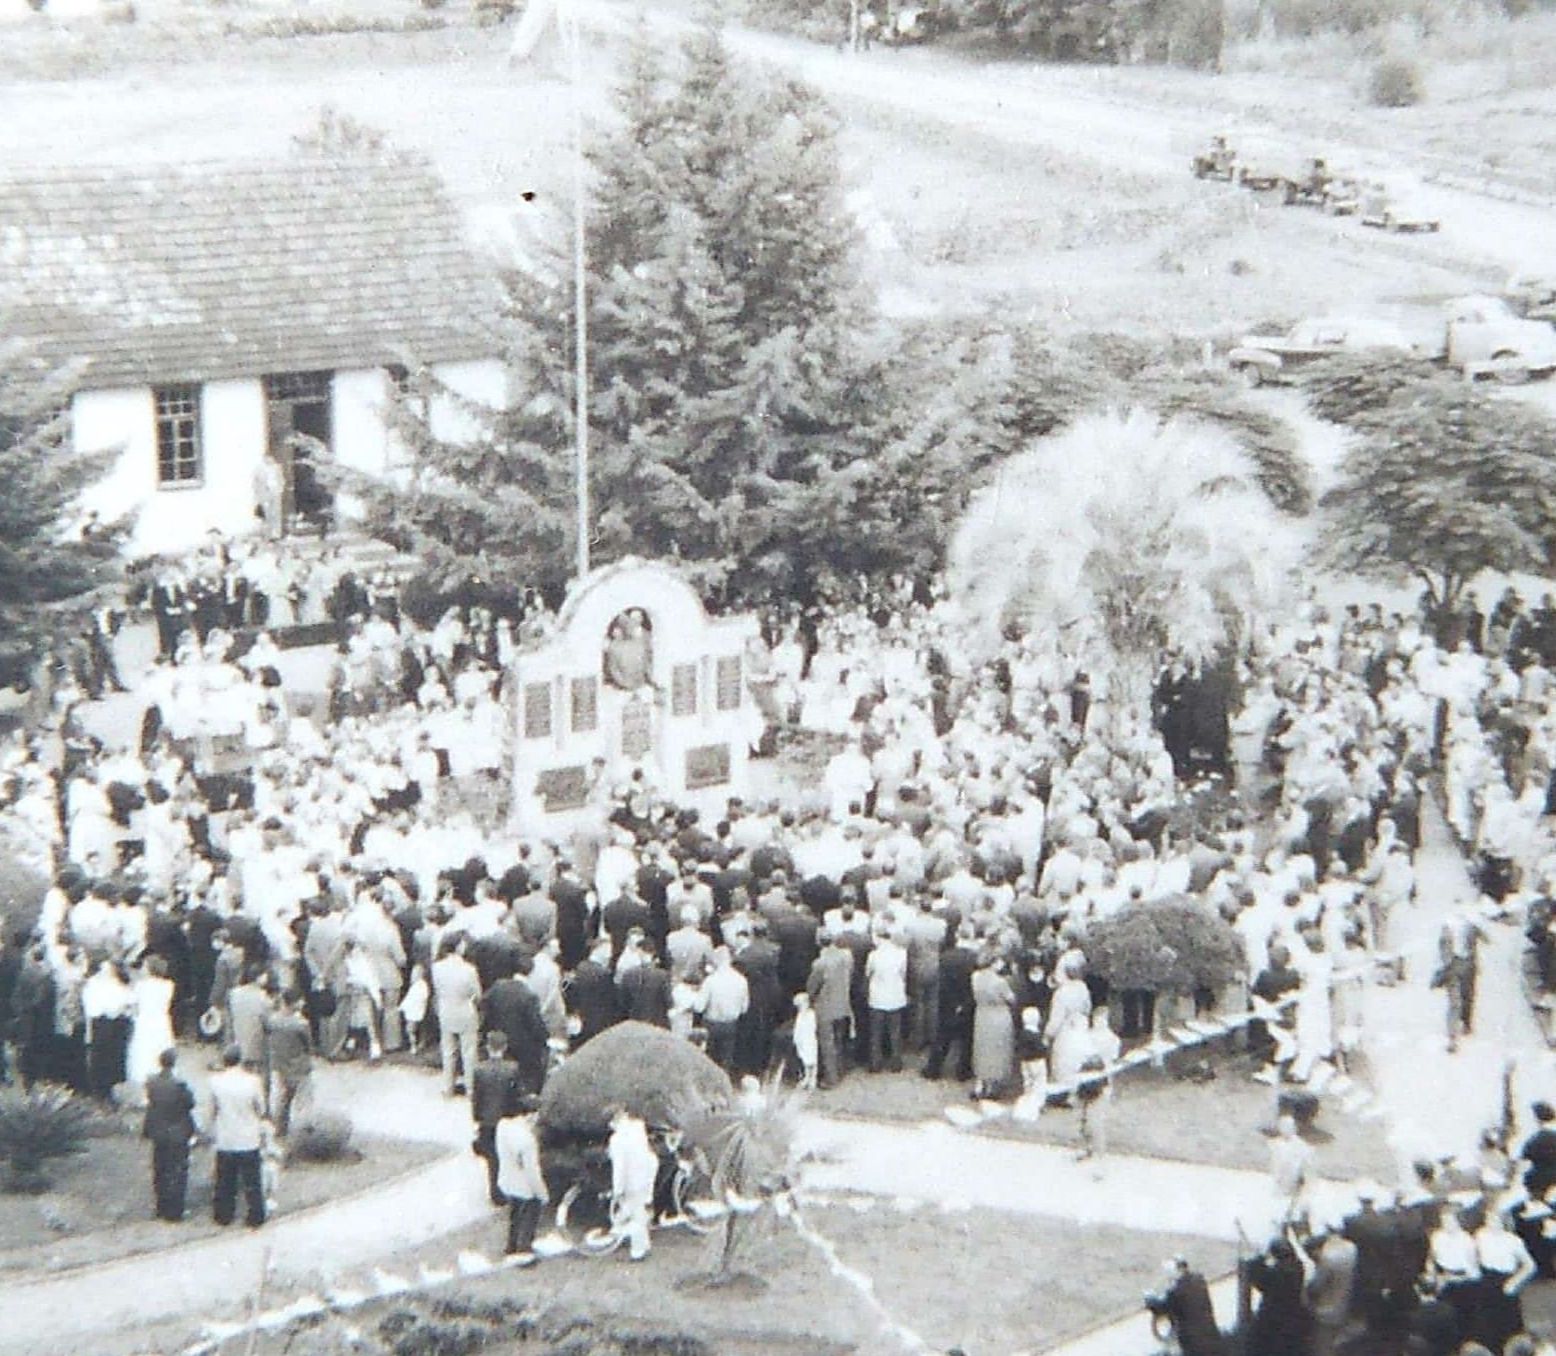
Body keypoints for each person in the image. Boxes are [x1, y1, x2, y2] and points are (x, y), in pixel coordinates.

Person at [206, 1043, 269, 1228]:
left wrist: (211, 1130)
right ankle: (255, 1215)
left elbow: (212, 1110)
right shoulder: (253, 1081)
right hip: (248, 1137)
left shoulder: (215, 1081)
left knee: (225, 1180)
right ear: (240, 1060)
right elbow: (261, 1108)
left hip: (226, 1136)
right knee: (252, 1180)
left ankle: (223, 1215)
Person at [142, 1047, 197, 1223]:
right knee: (178, 1171)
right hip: (177, 1132)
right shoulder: (180, 1084)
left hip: (158, 1131)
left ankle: (161, 1206)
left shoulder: (151, 1082)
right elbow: (190, 1104)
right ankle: (175, 1210)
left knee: (160, 1169)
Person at [494, 1093, 548, 1262]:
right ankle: (524, 1253)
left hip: (507, 1181)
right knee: (528, 1221)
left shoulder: (503, 1126)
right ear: (530, 1115)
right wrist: (542, 1193)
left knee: (514, 1217)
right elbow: (532, 1171)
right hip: (525, 1187)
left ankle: (511, 1247)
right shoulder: (527, 1140)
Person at [471, 1030, 522, 1206]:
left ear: (487, 1047)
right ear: (505, 1047)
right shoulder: (513, 1068)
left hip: (488, 1121)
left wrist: (477, 1118)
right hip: (506, 1118)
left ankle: (495, 1192)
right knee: (506, 1157)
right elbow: (515, 1097)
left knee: (492, 1159)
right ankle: (507, 1189)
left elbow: (476, 1098)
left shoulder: (479, 1070)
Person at [1146, 1256, 1226, 1356]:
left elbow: (1161, 1308)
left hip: (1193, 1342)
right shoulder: (1199, 1279)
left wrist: (1149, 1299)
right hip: (1211, 1335)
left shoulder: (1176, 1292)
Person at [607, 1106, 658, 1261]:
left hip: (632, 1181)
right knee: (637, 1211)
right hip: (646, 1174)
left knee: (636, 1215)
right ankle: (637, 1242)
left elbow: (620, 1167)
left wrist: (617, 1189)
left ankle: (638, 1251)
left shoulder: (616, 1140)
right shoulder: (638, 1127)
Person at [433, 937, 481, 1096]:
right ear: (458, 947)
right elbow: (477, 993)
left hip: (446, 1009)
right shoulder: (469, 969)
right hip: (465, 1010)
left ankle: (448, 1087)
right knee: (469, 1051)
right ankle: (471, 1088)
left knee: (448, 1050)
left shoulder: (437, 967)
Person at [262, 990, 313, 1138]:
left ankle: (280, 1129)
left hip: (280, 1064)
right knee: (303, 1100)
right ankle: (304, 1132)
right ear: (294, 1003)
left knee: (283, 1098)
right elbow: (308, 1045)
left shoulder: (273, 1020)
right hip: (300, 1065)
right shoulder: (301, 1023)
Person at [970, 953, 1016, 1099]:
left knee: (981, 1048)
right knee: (997, 1050)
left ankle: (979, 1084)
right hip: (998, 1016)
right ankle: (991, 1087)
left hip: (982, 1014)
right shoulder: (1000, 982)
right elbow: (1011, 999)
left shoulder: (975, 977)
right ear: (993, 963)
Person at [792, 991, 819, 1090]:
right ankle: (806, 1077)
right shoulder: (800, 1016)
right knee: (804, 1060)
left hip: (809, 1040)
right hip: (802, 1041)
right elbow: (797, 1028)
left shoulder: (811, 1015)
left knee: (812, 1060)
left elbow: (811, 1028)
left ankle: (813, 1078)